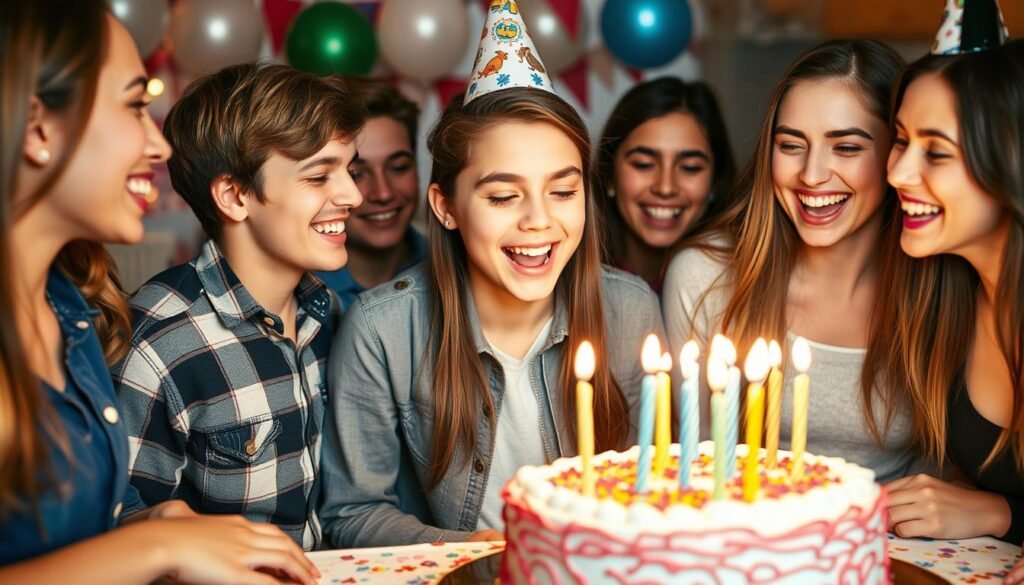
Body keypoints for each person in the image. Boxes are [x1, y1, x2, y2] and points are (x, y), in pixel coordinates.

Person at [319, 3, 662, 548]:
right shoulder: (382, 330)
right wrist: (495, 557)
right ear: (446, 206)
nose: (539, 220)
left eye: (563, 191)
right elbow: (354, 511)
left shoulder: (631, 309)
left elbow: (660, 484)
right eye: (503, 195)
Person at [0, 2, 317, 583]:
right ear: (40, 126)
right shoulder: (155, 328)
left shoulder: (68, 308)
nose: (160, 145)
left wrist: (152, 525)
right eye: (134, 105)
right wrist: (154, 548)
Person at [111, 62, 364, 550]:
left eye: (348, 170)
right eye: (319, 177)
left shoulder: (327, 312)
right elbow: (122, 533)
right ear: (234, 195)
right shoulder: (161, 344)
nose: (353, 194)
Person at [662, 40, 924, 483]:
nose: (811, 174)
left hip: (902, 544)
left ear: (896, 156)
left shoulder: (943, 285)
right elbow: (698, 465)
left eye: (847, 148)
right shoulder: (705, 277)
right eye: (790, 145)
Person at [883, 37, 1024, 549]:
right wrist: (1003, 512)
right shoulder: (942, 300)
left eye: (936, 152)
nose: (896, 172)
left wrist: (1000, 513)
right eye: (901, 140)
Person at [595, 77, 735, 292]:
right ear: (609, 175)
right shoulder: (573, 282)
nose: (665, 187)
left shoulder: (738, 283)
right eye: (644, 164)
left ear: (715, 181)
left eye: (690, 167)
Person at [316, 78, 428, 308]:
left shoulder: (452, 269)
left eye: (398, 167)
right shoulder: (298, 290)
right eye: (356, 174)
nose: (383, 193)